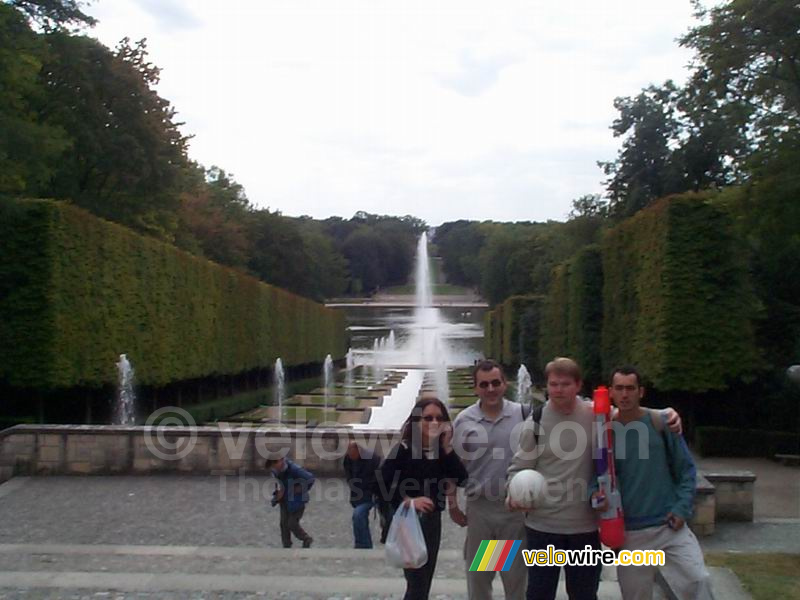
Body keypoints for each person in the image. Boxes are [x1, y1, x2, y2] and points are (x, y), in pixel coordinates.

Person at [507, 357, 683, 600]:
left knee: (584, 594)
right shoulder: (534, 423)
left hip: (585, 529)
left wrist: (666, 414)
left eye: (565, 384)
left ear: (578, 385)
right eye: (553, 384)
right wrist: (512, 494)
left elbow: (631, 412)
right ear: (547, 385)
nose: (558, 390)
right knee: (539, 593)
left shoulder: (598, 414)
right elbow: (518, 469)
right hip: (543, 528)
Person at [601, 366, 711, 600]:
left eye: (630, 388)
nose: (624, 394)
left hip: (668, 527)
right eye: (619, 388)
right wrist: (596, 496)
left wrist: (682, 508)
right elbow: (597, 475)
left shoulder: (661, 423)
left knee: (698, 581)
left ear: (641, 391)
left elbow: (686, 469)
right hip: (631, 533)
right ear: (610, 392)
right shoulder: (604, 430)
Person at [449, 359, 528, 600]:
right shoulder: (465, 420)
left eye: (495, 383)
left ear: (505, 384)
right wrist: (452, 504)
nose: (490, 389)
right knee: (481, 581)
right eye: (484, 385)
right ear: (476, 388)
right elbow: (456, 466)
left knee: (515, 580)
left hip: (512, 510)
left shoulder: (522, 414)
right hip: (481, 510)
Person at [381, 397, 468, 600]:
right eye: (428, 418)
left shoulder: (441, 452)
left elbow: (462, 479)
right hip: (409, 522)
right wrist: (407, 500)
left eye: (439, 418)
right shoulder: (404, 449)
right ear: (416, 421)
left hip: (432, 522)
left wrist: (447, 448)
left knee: (424, 581)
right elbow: (380, 482)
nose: (434, 423)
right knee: (417, 582)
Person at [266, 456, 315, 549]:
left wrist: (300, 488)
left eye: (275, 464)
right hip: (284, 499)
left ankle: (306, 538)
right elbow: (279, 484)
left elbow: (310, 478)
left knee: (292, 523)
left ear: (281, 460)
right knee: (283, 523)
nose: (275, 468)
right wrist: (277, 494)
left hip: (297, 500)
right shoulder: (276, 471)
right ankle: (286, 545)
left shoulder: (294, 469)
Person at [343, 440, 381, 549]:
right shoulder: (348, 460)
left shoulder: (372, 460)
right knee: (358, 517)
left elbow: (377, 480)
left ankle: (364, 544)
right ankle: (361, 543)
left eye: (352, 453)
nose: (350, 455)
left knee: (358, 515)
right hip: (358, 495)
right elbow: (349, 475)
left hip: (371, 494)